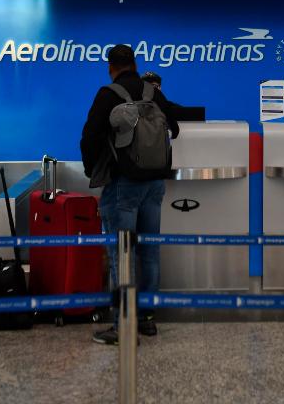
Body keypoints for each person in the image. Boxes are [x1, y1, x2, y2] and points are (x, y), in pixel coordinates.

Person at [80, 45, 179, 346]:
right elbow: (174, 128)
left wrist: (94, 171)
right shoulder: (153, 93)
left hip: (122, 185)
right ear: (135, 65)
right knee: (149, 252)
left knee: (121, 255)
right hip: (155, 184)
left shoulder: (108, 94)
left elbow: (89, 139)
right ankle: (147, 319)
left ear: (110, 67)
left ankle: (123, 326)